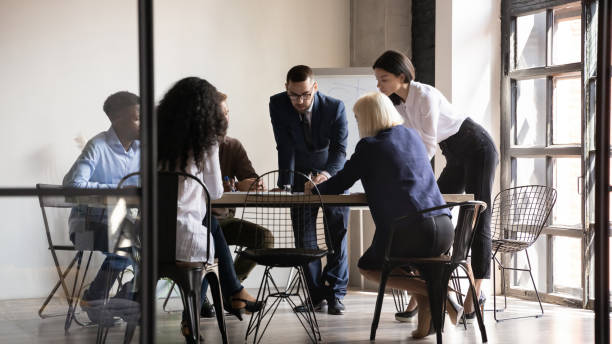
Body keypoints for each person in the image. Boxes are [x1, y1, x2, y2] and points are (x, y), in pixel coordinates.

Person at [306, 92, 462, 338]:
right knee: (421, 267)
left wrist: (315, 186)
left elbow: (339, 184)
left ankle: (439, 291)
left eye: (358, 119)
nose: (357, 124)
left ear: (367, 118)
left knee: (369, 267)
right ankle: (424, 328)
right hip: (443, 227)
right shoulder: (412, 136)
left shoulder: (369, 146)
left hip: (410, 230)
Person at [373, 50, 499, 321]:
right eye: (378, 80)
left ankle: (477, 290)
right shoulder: (398, 104)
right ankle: (422, 291)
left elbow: (426, 145)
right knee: (430, 214)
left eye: (383, 79)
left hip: (477, 146)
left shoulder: (425, 95)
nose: (379, 85)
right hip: (453, 152)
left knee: (479, 216)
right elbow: (409, 142)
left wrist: (414, 177)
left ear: (402, 77)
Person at [156, 77, 263, 334]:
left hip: (152, 237)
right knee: (207, 232)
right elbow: (213, 192)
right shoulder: (207, 141)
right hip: (188, 240)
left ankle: (221, 300)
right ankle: (232, 293)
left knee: (209, 224)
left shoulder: (154, 139)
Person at [269, 65, 350, 315]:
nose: (300, 101)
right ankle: (315, 296)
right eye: (294, 95)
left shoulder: (335, 107)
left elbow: (340, 151)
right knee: (304, 240)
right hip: (299, 178)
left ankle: (335, 294)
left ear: (315, 87)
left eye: (305, 94)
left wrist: (324, 176)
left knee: (336, 236)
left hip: (332, 176)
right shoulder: (277, 103)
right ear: (286, 89)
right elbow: (284, 146)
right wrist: (285, 182)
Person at [63, 91, 141, 323]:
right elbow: (73, 187)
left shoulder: (143, 149)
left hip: (123, 225)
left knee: (159, 247)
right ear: (117, 119)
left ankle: (124, 300)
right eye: (138, 118)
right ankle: (96, 298)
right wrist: (118, 189)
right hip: (86, 227)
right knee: (130, 243)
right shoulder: (97, 145)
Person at [199, 92, 273, 318]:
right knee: (208, 248)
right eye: (221, 114)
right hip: (197, 221)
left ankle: (229, 291)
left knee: (264, 238)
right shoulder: (191, 148)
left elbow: (250, 180)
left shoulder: (233, 146)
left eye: (227, 113)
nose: (226, 119)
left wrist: (251, 184)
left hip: (225, 219)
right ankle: (219, 295)